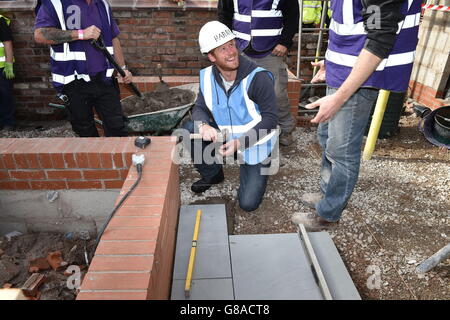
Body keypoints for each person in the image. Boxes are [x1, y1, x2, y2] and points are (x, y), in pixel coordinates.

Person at [291, 0, 422, 230]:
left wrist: (339, 98)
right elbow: (356, 25)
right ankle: (326, 194)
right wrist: (331, 62)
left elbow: (380, 40)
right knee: (328, 139)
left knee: (341, 151)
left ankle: (328, 215)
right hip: (344, 69)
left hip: (361, 80)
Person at [183, 21, 278, 212]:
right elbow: (200, 107)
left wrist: (239, 143)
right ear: (211, 56)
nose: (231, 52)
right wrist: (203, 126)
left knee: (248, 204)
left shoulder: (257, 77)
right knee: (189, 128)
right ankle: (213, 174)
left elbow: (270, 120)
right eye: (222, 49)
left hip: (254, 141)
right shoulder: (208, 77)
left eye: (232, 45)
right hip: (227, 138)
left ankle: (258, 166)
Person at [33, 0, 132, 137]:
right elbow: (40, 35)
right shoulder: (56, 3)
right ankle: (93, 158)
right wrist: (80, 34)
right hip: (74, 83)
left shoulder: (102, 4)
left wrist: (122, 68)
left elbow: (113, 38)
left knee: (117, 127)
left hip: (104, 79)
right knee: (85, 131)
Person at [218, 0, 298, 146]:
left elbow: (292, 17)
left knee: (277, 93)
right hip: (241, 50)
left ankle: (286, 129)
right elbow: (224, 15)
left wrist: (285, 42)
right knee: (240, 93)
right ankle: (245, 131)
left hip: (272, 51)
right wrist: (228, 43)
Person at [0, 13, 16, 131]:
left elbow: (7, 43)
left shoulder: (0, 21)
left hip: (2, 67)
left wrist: (9, 64)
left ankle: (8, 123)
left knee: (5, 95)